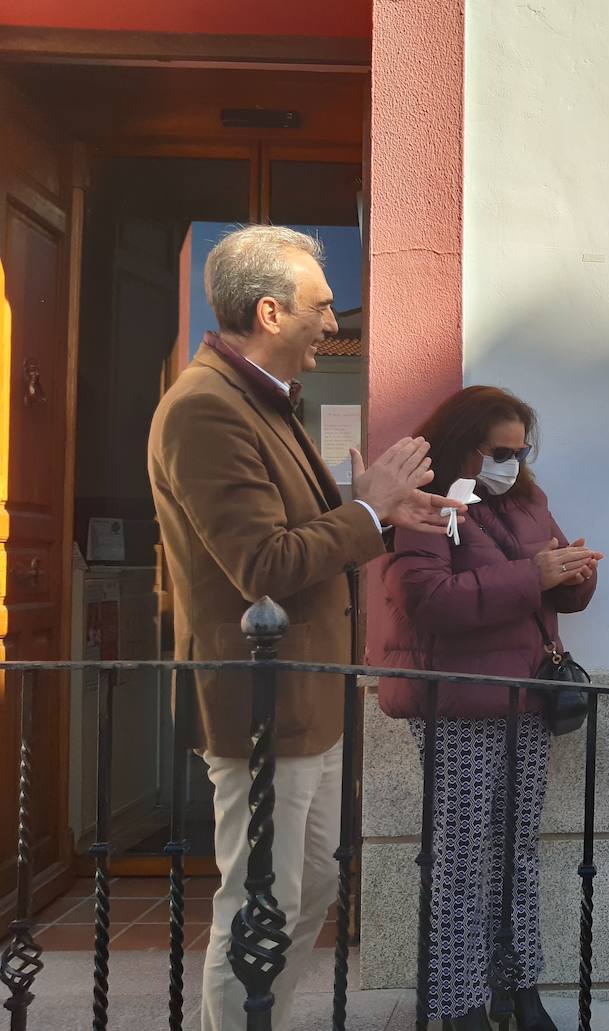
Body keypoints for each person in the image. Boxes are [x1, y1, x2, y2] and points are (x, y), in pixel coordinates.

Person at [148, 225, 450, 1031]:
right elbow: (266, 565)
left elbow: (309, 533)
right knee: (260, 905)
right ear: (271, 312)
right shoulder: (206, 409)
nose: (332, 321)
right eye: (321, 306)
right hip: (261, 709)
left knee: (308, 887)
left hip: (308, 703)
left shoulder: (258, 401)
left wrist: (382, 518)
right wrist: (365, 508)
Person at [376, 386, 602, 1031]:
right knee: (463, 859)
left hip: (526, 695)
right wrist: (537, 574)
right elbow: (429, 599)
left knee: (515, 855)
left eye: (519, 451)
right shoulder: (424, 504)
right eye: (497, 451)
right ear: (461, 444)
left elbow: (555, 590)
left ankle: (517, 988)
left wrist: (576, 572)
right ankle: (458, 1005)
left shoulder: (528, 501)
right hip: (459, 706)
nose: (509, 463)